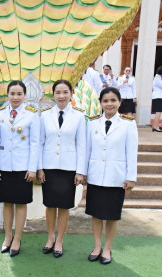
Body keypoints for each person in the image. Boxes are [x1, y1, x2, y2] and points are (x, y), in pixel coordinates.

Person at [85, 87, 138, 265]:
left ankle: (107, 248)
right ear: (100, 103)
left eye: (113, 100)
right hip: (95, 176)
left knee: (112, 215)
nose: (109, 104)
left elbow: (131, 153)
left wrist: (131, 177)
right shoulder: (92, 123)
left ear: (119, 102)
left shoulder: (128, 124)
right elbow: (87, 150)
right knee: (96, 214)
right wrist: (83, 172)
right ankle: (97, 246)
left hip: (116, 177)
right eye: (106, 101)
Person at [37, 80, 86, 258]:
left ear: (71, 93)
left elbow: (82, 145)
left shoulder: (79, 116)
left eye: (65, 92)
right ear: (53, 95)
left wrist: (80, 171)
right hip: (48, 167)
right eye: (58, 92)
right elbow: (40, 143)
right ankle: (50, 238)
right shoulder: (44, 115)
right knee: (50, 205)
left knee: (64, 206)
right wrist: (39, 168)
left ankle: (59, 240)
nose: (62, 96)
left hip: (68, 168)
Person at [0, 81, 40, 257]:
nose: (16, 97)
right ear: (8, 95)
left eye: (19, 94)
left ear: (24, 95)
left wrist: (32, 168)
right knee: (7, 202)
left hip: (22, 167)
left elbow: (35, 143)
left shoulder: (32, 114)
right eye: (12, 93)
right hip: (4, 166)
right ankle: (7, 236)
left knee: (20, 203)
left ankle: (17, 239)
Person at [151, 66, 162, 132]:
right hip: (158, 96)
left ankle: (156, 125)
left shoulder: (158, 78)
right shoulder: (157, 78)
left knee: (159, 112)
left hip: (158, 96)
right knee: (158, 112)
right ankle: (155, 126)